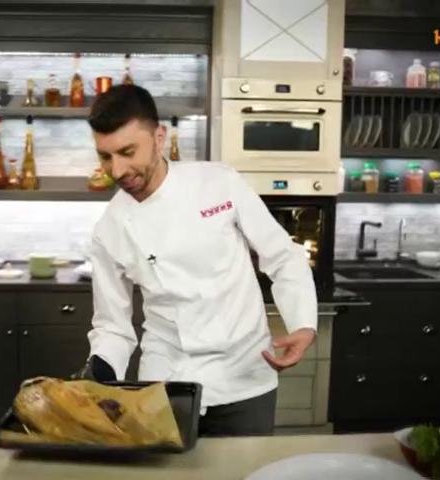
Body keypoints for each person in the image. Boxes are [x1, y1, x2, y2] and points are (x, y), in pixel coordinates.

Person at [75, 85, 317, 436]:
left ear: (159, 137)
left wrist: (303, 323)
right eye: (105, 157)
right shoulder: (109, 229)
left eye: (128, 152)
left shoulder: (219, 183)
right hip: (167, 379)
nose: (118, 169)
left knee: (245, 466)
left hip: (245, 374)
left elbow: (282, 255)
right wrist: (97, 373)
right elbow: (113, 326)